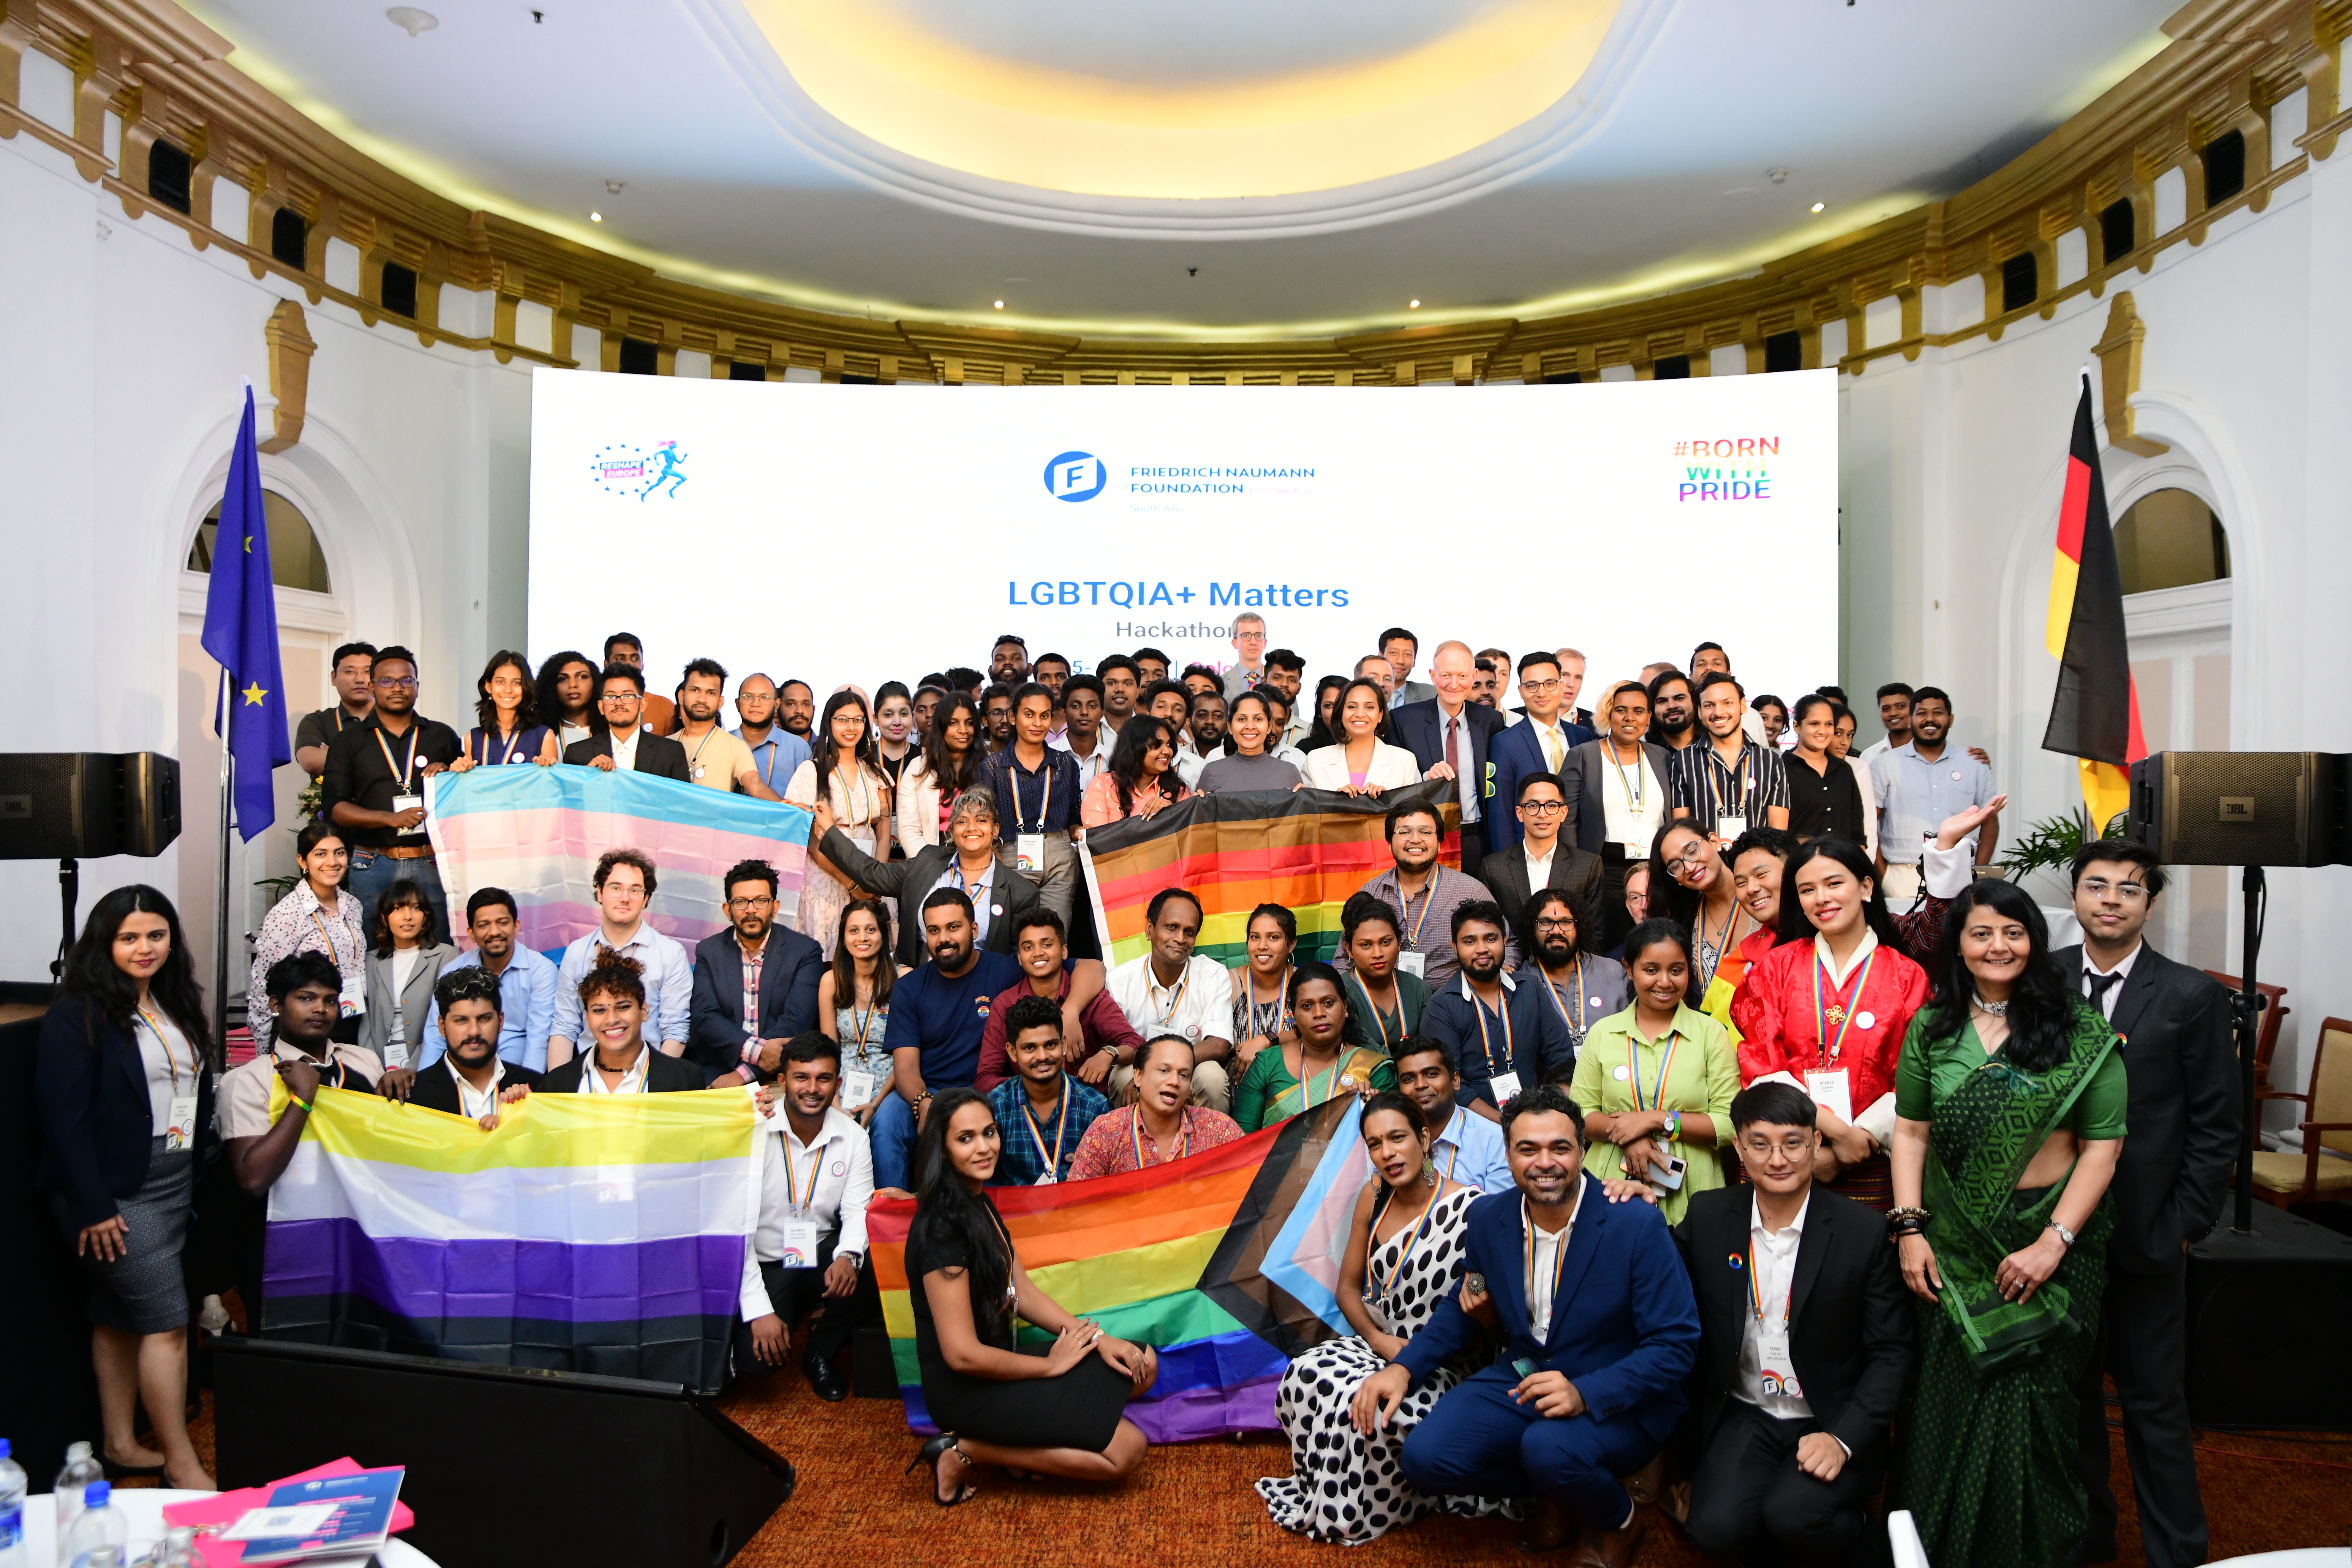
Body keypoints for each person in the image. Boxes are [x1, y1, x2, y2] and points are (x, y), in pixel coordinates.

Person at [1890, 880, 2127, 1568]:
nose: (1998, 946)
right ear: (1957, 945)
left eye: (2013, 932)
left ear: (2033, 941)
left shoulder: (2077, 1032)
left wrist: (2054, 1242)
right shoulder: (1931, 1029)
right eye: (1981, 933)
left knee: (2040, 1412)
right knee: (1946, 1403)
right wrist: (1909, 1229)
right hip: (1954, 1246)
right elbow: (1909, 1133)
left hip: (2048, 1241)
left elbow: (2102, 1148)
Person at [1361, 1083, 1700, 1563]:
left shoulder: (1634, 1222)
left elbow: (1676, 1344)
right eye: (1528, 1149)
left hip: (1619, 1396)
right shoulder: (1487, 1217)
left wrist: (1586, 1393)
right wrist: (1404, 1367)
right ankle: (1560, 1489)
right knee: (1425, 1459)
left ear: (1583, 1150)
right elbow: (1466, 1303)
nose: (1545, 1162)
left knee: (1549, 1449)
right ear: (1508, 1154)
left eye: (1560, 1147)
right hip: (1525, 1375)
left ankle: (1619, 1519)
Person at [2058, 840, 2238, 1568]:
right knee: (2070, 1403)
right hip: (2056, 1236)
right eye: (2096, 886)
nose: (2110, 899)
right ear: (2074, 896)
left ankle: (2178, 1553)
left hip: (2148, 1235)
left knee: (2153, 1406)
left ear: (2148, 904)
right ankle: (2086, 1538)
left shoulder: (2191, 995)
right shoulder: (2042, 982)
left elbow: (2216, 1123)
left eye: (2127, 890)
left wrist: (2184, 1225)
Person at [1674, 1081, 1917, 1568]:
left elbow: (1893, 1353)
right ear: (1739, 1148)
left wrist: (1844, 1438)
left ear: (1815, 1144)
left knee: (1795, 1515)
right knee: (1714, 1530)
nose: (1777, 1159)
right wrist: (1626, 1205)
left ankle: (1866, 1543)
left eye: (1792, 1143)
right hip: (1748, 1411)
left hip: (1830, 1416)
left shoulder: (1863, 1233)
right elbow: (1655, 1273)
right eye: (1760, 1144)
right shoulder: (1709, 1216)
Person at [35, 886, 218, 1492]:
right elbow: (64, 1119)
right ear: (105, 942)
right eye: (130, 937)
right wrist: (92, 1206)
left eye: (157, 935)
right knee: (166, 1324)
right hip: (114, 1195)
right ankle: (182, 1460)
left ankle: (119, 1441)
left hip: (173, 1181)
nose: (146, 948)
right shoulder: (78, 1012)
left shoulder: (173, 1000)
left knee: (115, 1318)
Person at [903, 1088, 1157, 1504]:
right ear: (942, 1150)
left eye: (989, 1133)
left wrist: (1098, 1340)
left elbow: (1021, 1291)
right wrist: (1050, 1369)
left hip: (1004, 1369)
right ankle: (963, 1450)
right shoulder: (940, 1231)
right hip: (966, 1391)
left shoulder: (977, 1200)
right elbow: (962, 1355)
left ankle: (1023, 1453)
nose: (985, 1148)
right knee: (1128, 1451)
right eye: (966, 1138)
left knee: (1141, 1363)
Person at [1258, 1092, 1491, 1544]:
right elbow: (1347, 1288)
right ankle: (1331, 1493)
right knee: (1307, 1374)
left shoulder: (1473, 1210)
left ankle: (1382, 1503)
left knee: (1378, 1408)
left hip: (1440, 1360)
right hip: (1379, 1342)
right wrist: (1376, 1340)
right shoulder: (1374, 1195)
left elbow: (1480, 1308)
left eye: (1398, 1138)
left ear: (1425, 1139)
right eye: (1375, 1143)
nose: (1388, 1153)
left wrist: (1415, 1354)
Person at [1728, 836, 1928, 1210]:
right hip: (1782, 1155)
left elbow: (1915, 1077)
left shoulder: (1907, 976)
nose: (1821, 898)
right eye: (1807, 890)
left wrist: (1862, 1138)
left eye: (1834, 883)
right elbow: (1761, 1062)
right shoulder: (1775, 967)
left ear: (1866, 887)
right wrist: (1836, 1132)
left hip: (1871, 1162)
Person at [867, 888, 1099, 1193]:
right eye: (934, 931)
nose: (944, 939)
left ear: (974, 930)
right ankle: (893, 1221)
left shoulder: (1006, 969)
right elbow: (906, 1069)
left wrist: (1070, 1011)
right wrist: (925, 1104)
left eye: (954, 927)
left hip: (987, 1091)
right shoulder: (910, 987)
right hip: (928, 1091)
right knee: (886, 1121)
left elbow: (1093, 968)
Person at [220, 952, 386, 1329]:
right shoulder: (249, 1080)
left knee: (361, 1341)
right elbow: (252, 1179)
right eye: (306, 998)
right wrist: (301, 1100)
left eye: (330, 1000)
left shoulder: (364, 1064)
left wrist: (399, 1098)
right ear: (277, 1005)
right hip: (283, 1241)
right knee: (291, 1349)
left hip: (357, 1230)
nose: (321, 1010)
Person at [1570, 920, 1738, 1225]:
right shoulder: (1603, 1033)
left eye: (1676, 970)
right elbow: (1581, 1115)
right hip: (1612, 1186)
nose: (1665, 981)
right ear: (1629, 968)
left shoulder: (1711, 1033)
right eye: (1651, 970)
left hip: (1694, 1190)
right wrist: (1628, 1136)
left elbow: (1729, 1124)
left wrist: (1658, 1120)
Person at [738, 1034, 874, 1401]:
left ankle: (821, 1351)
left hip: (817, 1253)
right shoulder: (753, 1130)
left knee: (875, 1253)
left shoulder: (854, 1137)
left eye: (824, 1078)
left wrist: (848, 1256)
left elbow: (857, 1210)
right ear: (782, 1082)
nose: (812, 1089)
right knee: (757, 1363)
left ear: (838, 1084)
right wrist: (759, 1310)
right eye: (801, 1078)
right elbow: (735, 1231)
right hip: (763, 1261)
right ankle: (788, 1312)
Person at [322, 645, 461, 943]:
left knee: (438, 948)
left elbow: (463, 797)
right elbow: (336, 807)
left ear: (417, 687)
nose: (397, 688)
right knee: (371, 950)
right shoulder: (349, 741)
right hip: (372, 862)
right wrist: (391, 818)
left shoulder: (442, 736)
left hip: (431, 861)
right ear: (372, 687)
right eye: (387, 681)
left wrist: (450, 772)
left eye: (406, 681)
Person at [819, 788, 1038, 967]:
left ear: (995, 829)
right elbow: (871, 875)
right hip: (921, 980)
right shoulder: (927, 862)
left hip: (983, 994)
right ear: (951, 830)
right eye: (962, 821)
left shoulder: (1020, 892)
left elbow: (1017, 961)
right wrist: (829, 828)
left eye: (981, 820)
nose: (972, 828)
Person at [1419, 899, 1576, 1120]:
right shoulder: (1442, 1006)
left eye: (1491, 939)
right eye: (1470, 941)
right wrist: (1503, 1123)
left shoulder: (1530, 989)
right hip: (1473, 1128)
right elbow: (1449, 1084)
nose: (1482, 949)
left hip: (1538, 1118)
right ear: (1455, 947)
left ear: (1505, 941)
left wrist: (1549, 1111)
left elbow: (1561, 1056)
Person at [547, 848, 692, 1067]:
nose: (625, 898)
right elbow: (565, 1026)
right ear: (599, 893)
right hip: (589, 1074)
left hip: (648, 1074)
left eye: (635, 890)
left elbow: (676, 1028)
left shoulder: (670, 953)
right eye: (616, 888)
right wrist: (560, 1092)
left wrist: (653, 1084)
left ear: (645, 899)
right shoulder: (577, 952)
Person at [689, 858, 827, 1086]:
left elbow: (796, 1022)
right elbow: (705, 1017)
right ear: (728, 910)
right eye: (741, 902)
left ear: (775, 906)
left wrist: (741, 1076)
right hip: (718, 1069)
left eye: (761, 901)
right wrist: (757, 1053)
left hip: (783, 1073)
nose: (751, 910)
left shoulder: (805, 951)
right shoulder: (709, 951)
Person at [975, 908, 1140, 1092]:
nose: (1038, 953)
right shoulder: (1006, 1004)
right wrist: (1032, 1088)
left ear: (1064, 951)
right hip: (1028, 1105)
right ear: (1020, 958)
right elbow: (986, 1077)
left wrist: (1109, 1054)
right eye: (1029, 947)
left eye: (1046, 945)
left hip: (1088, 1101)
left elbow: (1135, 1043)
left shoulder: (1087, 994)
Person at [1562, 679, 1673, 951]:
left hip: (1656, 872)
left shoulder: (1663, 757)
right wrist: (1576, 873)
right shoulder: (1583, 756)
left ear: (1649, 718)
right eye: (1621, 710)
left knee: (1656, 945)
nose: (1629, 718)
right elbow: (1567, 822)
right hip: (1605, 872)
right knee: (1608, 946)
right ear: (1609, 714)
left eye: (1638, 711)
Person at [784, 691, 896, 956]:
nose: (851, 727)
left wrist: (873, 883)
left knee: (873, 960)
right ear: (829, 723)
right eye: (843, 719)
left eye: (858, 720)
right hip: (826, 879)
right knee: (830, 960)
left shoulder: (876, 773)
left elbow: (883, 834)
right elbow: (809, 842)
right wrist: (853, 885)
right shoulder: (810, 771)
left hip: (870, 877)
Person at [1105, 888, 1236, 1110]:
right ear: (1150, 930)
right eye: (1172, 927)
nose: (1180, 939)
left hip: (1192, 1067)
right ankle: (1133, 1143)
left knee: (1212, 1077)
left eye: (1189, 932)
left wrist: (1168, 1067)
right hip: (1140, 1065)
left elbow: (1219, 1044)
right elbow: (1115, 1044)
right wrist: (1151, 1070)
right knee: (1122, 1075)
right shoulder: (1119, 980)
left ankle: (1213, 1145)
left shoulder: (1213, 973)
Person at [1234, 963, 1398, 1131]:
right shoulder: (1267, 1064)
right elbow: (1242, 1145)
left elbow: (1391, 1136)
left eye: (1328, 1003)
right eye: (1307, 1006)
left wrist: (1368, 1110)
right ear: (1294, 1015)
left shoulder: (1371, 1069)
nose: (1319, 1013)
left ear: (1345, 1007)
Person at [1351, 797, 1495, 988]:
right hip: (1385, 1003)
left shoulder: (1470, 890)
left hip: (1453, 1001)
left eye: (1425, 832)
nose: (1415, 840)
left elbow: (1508, 945)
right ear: (1389, 843)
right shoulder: (1371, 894)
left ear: (1440, 842)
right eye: (1405, 832)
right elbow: (1344, 959)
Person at [249, 820, 367, 1049]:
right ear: (303, 861)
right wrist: (265, 1050)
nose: (332, 862)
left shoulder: (353, 905)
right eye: (321, 854)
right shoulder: (287, 914)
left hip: (352, 1018)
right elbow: (263, 984)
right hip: (308, 1024)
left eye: (339, 853)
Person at [1390, 641, 1508, 865]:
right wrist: (1426, 780)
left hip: (1478, 837)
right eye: (1446, 676)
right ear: (1433, 676)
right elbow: (1395, 784)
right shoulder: (1405, 721)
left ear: (1473, 676)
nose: (1454, 685)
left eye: (1462, 676)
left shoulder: (1489, 721)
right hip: (1426, 840)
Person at [1067, 1034, 1248, 1179]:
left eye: (1184, 1075)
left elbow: (1252, 1186)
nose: (1174, 1081)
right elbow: (1077, 1204)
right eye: (1164, 1071)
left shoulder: (1218, 1129)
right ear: (1138, 1076)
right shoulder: (1106, 1131)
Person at [418, 887, 560, 1072]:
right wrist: (427, 1089)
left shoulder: (540, 971)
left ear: (516, 927)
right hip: (461, 1077)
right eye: (484, 925)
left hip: (516, 1081)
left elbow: (539, 1041)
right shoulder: (454, 970)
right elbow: (435, 1038)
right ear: (471, 933)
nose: (494, 932)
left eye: (502, 922)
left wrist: (527, 1089)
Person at [977, 682, 1083, 923]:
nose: (1037, 723)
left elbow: (1074, 820)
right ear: (1013, 717)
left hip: (1060, 855)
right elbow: (983, 820)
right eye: (1029, 715)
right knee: (1016, 934)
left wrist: (1087, 832)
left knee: (1056, 932)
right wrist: (995, 858)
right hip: (1011, 853)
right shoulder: (993, 767)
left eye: (1045, 716)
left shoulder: (1066, 765)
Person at [534, 950, 708, 1094]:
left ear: (644, 1011)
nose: (612, 1020)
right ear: (587, 1018)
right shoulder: (557, 1084)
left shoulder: (686, 1079)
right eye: (599, 1010)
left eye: (623, 1007)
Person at [1871, 686, 1999, 880]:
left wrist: (1979, 871)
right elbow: (1869, 825)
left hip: (1960, 873)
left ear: (1951, 720)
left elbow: (1990, 821)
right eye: (1922, 713)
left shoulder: (1974, 764)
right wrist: (1885, 876)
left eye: (1938, 713)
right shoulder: (1884, 764)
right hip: (1902, 873)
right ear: (1911, 719)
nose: (1930, 719)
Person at [985, 995, 1111, 1185]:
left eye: (1050, 1045)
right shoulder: (996, 1107)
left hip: (1080, 1211)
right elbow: (987, 1184)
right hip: (1017, 1214)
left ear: (1064, 1045)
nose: (1042, 1056)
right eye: (1030, 1048)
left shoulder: (1094, 1107)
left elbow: (1109, 1183)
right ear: (1012, 1052)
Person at [397, 966, 542, 1120]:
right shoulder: (411, 1096)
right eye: (461, 1020)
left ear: (500, 1022)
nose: (474, 1031)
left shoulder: (535, 1088)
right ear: (442, 1026)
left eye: (484, 1019)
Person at [1487, 652, 1596, 856]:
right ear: (1520, 691)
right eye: (1532, 686)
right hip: (1527, 852)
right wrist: (1506, 863)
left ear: (1561, 686)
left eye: (1550, 684)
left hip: (1579, 853)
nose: (1541, 693)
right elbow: (1500, 812)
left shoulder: (1583, 737)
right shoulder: (1504, 742)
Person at [1651, 820, 1759, 1003]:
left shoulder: (1760, 894)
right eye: (1676, 865)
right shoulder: (1684, 920)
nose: (1690, 867)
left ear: (1715, 842)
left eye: (1692, 851)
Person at [1672, 671, 1789, 839]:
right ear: (1699, 711)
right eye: (1709, 705)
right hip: (1705, 863)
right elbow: (1682, 833)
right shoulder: (1683, 761)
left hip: (1757, 862)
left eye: (1727, 703)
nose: (1718, 712)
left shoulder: (1771, 761)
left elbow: (1779, 835)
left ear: (1743, 705)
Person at [357, 880, 456, 1072]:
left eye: (416, 908)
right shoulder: (372, 960)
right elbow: (366, 1024)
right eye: (398, 909)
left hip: (427, 1063)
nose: (408, 917)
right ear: (385, 918)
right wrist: (373, 1070)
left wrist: (413, 1069)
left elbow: (442, 1024)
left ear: (425, 917)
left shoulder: (445, 956)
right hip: (378, 1065)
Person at [1480, 775, 1603, 929]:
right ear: (1520, 813)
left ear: (1564, 813)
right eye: (1533, 806)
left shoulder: (1588, 866)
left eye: (1551, 806)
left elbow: (1595, 932)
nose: (1542, 814)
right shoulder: (1494, 867)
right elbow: (1489, 929)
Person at [817, 899, 901, 1123]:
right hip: (841, 1087)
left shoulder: (904, 979)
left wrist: (877, 1103)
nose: (862, 938)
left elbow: (909, 1054)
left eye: (871, 930)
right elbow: (830, 1049)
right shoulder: (831, 981)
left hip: (890, 1091)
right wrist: (832, 1099)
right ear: (844, 940)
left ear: (883, 936)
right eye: (854, 931)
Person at [1394, 1038, 1512, 1194]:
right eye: (1409, 1079)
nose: (1420, 1085)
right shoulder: (1393, 1141)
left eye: (1431, 1074)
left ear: (1455, 1081)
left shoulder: (1493, 1141)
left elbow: (1498, 1211)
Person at [1519, 889, 1626, 1061]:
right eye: (1545, 923)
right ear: (1532, 928)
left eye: (1566, 922)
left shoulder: (1612, 972)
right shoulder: (1520, 984)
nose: (1556, 931)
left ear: (1579, 927)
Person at [562, 663, 691, 781]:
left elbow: (681, 803)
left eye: (628, 696)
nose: (618, 703)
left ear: (643, 704)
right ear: (601, 707)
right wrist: (588, 777)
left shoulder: (671, 752)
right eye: (611, 697)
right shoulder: (578, 753)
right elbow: (569, 802)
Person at [1336, 895, 1431, 1053]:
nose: (1378, 953)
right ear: (1349, 949)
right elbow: (1360, 1053)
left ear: (1399, 942)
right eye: (1366, 945)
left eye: (1386, 942)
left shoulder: (1418, 989)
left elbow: (1429, 1049)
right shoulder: (1340, 994)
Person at [669, 659, 776, 796]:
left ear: (720, 702)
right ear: (682, 696)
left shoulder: (736, 747)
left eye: (711, 693)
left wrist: (792, 809)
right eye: (695, 690)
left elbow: (759, 788)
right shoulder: (664, 745)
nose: (702, 699)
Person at [1302, 677, 1422, 795]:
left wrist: (1388, 801)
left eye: (1369, 707)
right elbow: (1305, 810)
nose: (1360, 714)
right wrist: (1335, 801)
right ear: (1341, 713)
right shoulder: (1315, 761)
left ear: (1380, 715)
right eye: (1352, 707)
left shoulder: (1405, 761)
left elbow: (1417, 811)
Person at [898, 692, 985, 849]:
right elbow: (909, 829)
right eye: (953, 723)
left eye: (969, 723)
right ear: (941, 726)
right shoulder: (918, 768)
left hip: (980, 861)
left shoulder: (990, 766)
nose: (963, 730)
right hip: (931, 861)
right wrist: (930, 868)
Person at [446, 650, 558, 770]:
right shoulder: (473, 738)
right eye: (501, 682)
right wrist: (456, 772)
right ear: (489, 686)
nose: (508, 690)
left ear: (526, 688)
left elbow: (549, 785)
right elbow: (469, 785)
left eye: (517, 683)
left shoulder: (544, 736)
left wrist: (548, 766)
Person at [1227, 903, 1298, 1083]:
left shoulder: (1303, 983)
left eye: (1273, 938)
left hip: (1290, 1089)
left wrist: (1267, 1040)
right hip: (1238, 1090)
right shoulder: (1232, 982)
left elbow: (1316, 1033)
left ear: (1291, 944)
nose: (1262, 946)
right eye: (1255, 937)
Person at [1782, 694, 1867, 842]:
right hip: (1797, 862)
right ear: (1797, 726)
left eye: (1829, 724)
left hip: (1841, 862)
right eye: (1815, 724)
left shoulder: (1843, 770)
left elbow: (1857, 832)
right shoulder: (1781, 768)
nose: (1823, 731)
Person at [1080, 713, 1190, 826]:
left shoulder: (1178, 790)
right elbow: (1099, 839)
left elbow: (1189, 837)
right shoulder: (1103, 785)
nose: (1168, 751)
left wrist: (1172, 813)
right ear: (1135, 748)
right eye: (1157, 745)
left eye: (1169, 744)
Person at [294, 641, 377, 776]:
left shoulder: (393, 718)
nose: (360, 679)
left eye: (367, 671)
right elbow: (311, 762)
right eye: (350, 671)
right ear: (334, 678)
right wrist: (377, 753)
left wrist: (334, 752)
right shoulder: (317, 722)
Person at [1196, 688, 1303, 793]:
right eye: (1242, 719)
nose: (1250, 726)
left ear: (1270, 727)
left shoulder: (1289, 773)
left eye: (1258, 719)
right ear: (1230, 727)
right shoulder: (1212, 771)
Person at [733, 672, 815, 795]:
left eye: (764, 697)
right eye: (748, 697)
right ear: (738, 704)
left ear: (777, 704)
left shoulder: (798, 748)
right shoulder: (722, 743)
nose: (756, 703)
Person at [1827, 706, 1882, 860]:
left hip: (1849, 859)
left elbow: (1868, 824)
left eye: (1850, 735)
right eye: (1838, 733)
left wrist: (1866, 863)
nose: (1845, 742)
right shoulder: (1796, 766)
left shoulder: (1858, 767)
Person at [602, 632, 676, 735]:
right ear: (607, 664)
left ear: (643, 664)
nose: (629, 664)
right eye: (620, 659)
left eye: (635, 659)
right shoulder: (601, 705)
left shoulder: (664, 706)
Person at [1049, 672, 1111, 792]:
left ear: (1102, 713)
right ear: (1064, 712)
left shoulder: (1113, 761)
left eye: (1092, 706)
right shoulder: (1047, 756)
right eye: (1076, 706)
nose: (1084, 712)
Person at [535, 649, 599, 752]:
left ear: (595, 683)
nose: (573, 685)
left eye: (583, 677)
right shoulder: (538, 732)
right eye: (563, 679)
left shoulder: (610, 729)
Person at [1173, 686, 1227, 790]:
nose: (1210, 721)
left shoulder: (1235, 757)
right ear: (1188, 721)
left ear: (1229, 723)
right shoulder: (1176, 758)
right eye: (1202, 715)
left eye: (1218, 716)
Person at [1645, 671, 1699, 754]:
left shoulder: (1713, 745)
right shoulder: (1645, 754)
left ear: (1694, 703)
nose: (1672, 706)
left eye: (1679, 699)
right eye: (1662, 701)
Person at [1380, 627, 1435, 705]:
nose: (1401, 661)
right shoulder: (1364, 692)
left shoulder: (1431, 695)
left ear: (1414, 661)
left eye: (1408, 655)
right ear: (1381, 657)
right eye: (1394, 653)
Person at [1219, 611, 1269, 696]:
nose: (1253, 642)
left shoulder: (1277, 681)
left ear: (1265, 642)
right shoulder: (1221, 683)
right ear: (1234, 643)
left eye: (1258, 635)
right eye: (1246, 636)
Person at [1862, 682, 1914, 763]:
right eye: (1886, 709)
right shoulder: (1869, 756)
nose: (1893, 713)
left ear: (1914, 708)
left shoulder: (1929, 751)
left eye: (1900, 707)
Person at [1301, 673, 1350, 751]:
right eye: (1329, 706)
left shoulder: (1373, 746)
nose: (1336, 711)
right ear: (1319, 712)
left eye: (1342, 704)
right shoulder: (1306, 749)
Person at [1095, 653, 1141, 735]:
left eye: (1127, 684)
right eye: (1112, 683)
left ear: (1138, 691)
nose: (1120, 689)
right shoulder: (1086, 729)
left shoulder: (1149, 730)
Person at [979, 683, 1016, 752]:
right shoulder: (978, 760)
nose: (1005, 720)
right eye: (997, 714)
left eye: (1010, 713)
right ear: (985, 720)